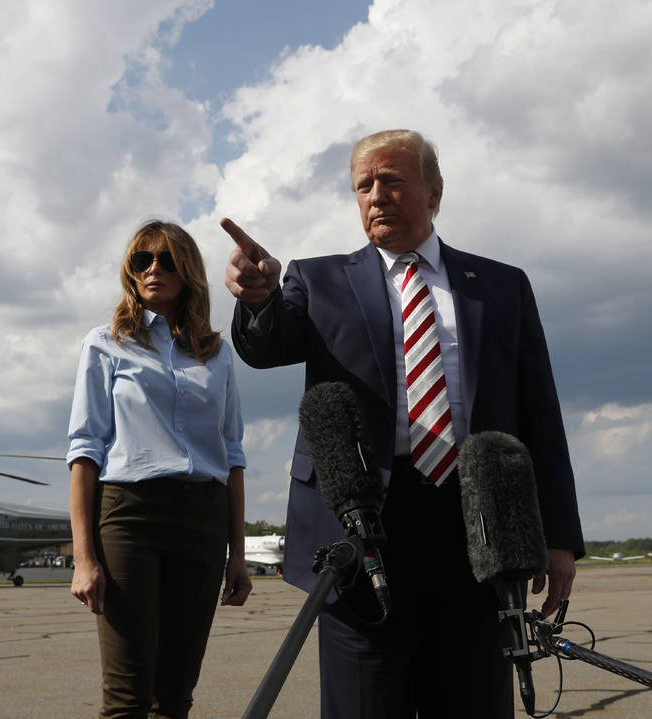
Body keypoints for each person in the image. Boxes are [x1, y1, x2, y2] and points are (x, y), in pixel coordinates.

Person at [221, 129, 585, 718]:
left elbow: (540, 415)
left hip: (476, 531)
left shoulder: (501, 286)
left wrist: (560, 535)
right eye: (362, 185)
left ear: (434, 191)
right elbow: (266, 346)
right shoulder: (317, 280)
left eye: (392, 180)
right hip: (359, 530)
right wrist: (258, 298)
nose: (375, 195)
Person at [68, 220, 253, 718]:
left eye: (167, 260)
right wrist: (84, 557)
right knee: (128, 696)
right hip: (131, 517)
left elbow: (232, 455)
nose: (154, 269)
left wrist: (238, 554)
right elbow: (85, 450)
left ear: (188, 270)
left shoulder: (218, 355)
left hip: (203, 521)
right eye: (142, 260)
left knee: (174, 696)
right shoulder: (106, 343)